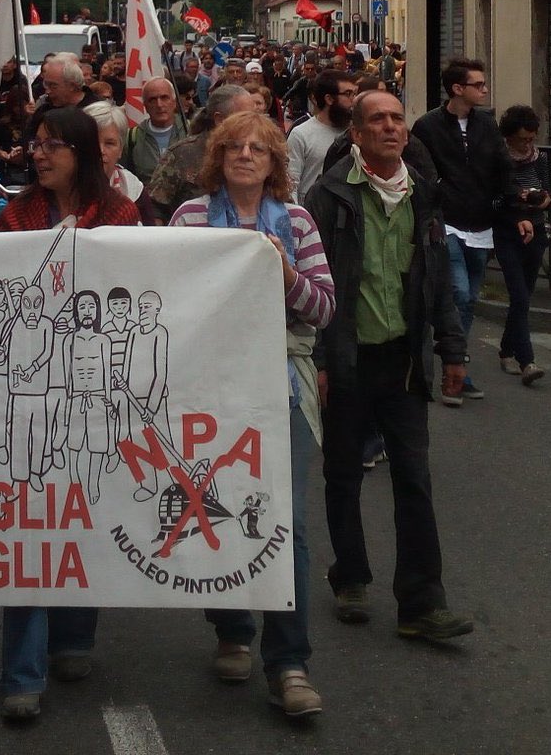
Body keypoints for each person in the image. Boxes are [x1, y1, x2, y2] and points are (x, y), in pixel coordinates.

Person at [168, 111, 334, 720]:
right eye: (234, 146)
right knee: (217, 507)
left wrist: (284, 272)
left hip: (278, 386)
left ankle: (289, 664)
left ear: (274, 163)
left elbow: (323, 309)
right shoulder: (189, 219)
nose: (244, 155)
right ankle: (232, 629)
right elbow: (168, 303)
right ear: (217, 158)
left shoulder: (298, 222)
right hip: (210, 392)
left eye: (257, 149)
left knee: (286, 523)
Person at [309, 89, 474, 647]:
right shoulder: (328, 196)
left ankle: (421, 603)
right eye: (377, 119)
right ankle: (351, 577)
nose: (390, 127)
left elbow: (437, 280)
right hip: (348, 358)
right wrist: (321, 361)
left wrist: (452, 349)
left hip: (403, 361)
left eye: (397, 118)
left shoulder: (423, 194)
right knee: (343, 474)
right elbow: (317, 284)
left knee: (414, 479)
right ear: (356, 134)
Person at [0, 106, 139, 722]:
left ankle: (75, 632)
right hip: (29, 394)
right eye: (36, 144)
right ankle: (22, 671)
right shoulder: (16, 215)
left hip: (90, 395)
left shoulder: (122, 215)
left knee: (85, 508)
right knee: (30, 519)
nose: (39, 154)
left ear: (81, 152)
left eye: (52, 145)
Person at [411, 59, 528, 406]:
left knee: (470, 298)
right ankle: (454, 364)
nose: (485, 90)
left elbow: (504, 169)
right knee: (459, 292)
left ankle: (456, 364)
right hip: (445, 220)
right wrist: (430, 206)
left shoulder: (487, 124)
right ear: (457, 89)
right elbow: (418, 171)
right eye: (478, 84)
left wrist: (517, 212)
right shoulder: (428, 126)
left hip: (481, 221)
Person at [494, 105, 551, 388]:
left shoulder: (540, 158)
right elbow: (496, 199)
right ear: (509, 137)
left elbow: (549, 192)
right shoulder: (500, 160)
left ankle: (506, 349)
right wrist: (518, 203)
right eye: (522, 140)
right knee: (518, 295)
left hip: (536, 232)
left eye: (531, 138)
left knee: (524, 295)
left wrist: (541, 200)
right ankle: (527, 360)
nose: (527, 145)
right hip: (507, 233)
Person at [147, 83, 258, 215]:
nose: (253, 123)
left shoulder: (260, 154)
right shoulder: (181, 156)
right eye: (244, 117)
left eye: (255, 116)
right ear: (220, 120)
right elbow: (154, 209)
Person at [287, 67, 357, 200]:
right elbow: (291, 184)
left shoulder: (358, 133)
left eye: (355, 93)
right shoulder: (301, 134)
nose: (354, 100)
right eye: (348, 94)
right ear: (329, 99)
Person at [85, 101, 159, 224]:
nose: (100, 150)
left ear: (120, 149)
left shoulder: (133, 190)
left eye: (109, 143)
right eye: (93, 142)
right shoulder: (61, 188)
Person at [123, 76, 187, 186]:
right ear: (145, 106)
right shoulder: (132, 138)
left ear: (174, 102)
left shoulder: (191, 130)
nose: (159, 105)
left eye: (164, 98)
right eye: (152, 100)